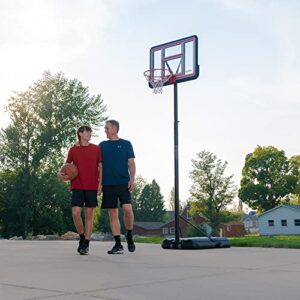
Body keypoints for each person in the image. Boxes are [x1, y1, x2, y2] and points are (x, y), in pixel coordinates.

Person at [58, 125, 102, 255]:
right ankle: (82, 236)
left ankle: (86, 244)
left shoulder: (96, 149)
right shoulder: (73, 150)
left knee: (89, 215)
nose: (89, 133)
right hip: (77, 185)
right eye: (87, 132)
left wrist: (101, 183)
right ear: (80, 134)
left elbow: (100, 166)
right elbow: (65, 168)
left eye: (90, 132)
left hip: (92, 185)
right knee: (76, 213)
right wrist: (60, 175)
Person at [100, 120, 136, 254]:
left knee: (127, 209)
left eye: (107, 128)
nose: (105, 130)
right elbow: (99, 164)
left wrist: (132, 178)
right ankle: (118, 244)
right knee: (113, 213)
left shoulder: (126, 144)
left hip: (123, 182)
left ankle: (129, 235)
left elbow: (131, 163)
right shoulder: (102, 145)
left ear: (115, 128)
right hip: (108, 184)